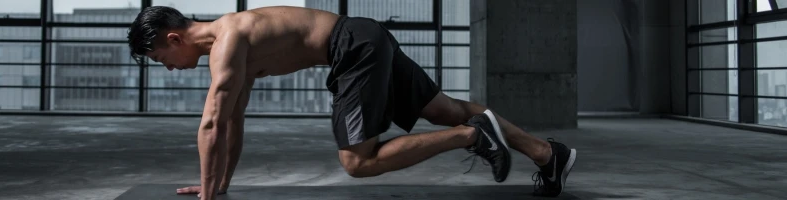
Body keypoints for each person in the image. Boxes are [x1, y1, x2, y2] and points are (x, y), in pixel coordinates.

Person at [127, 6, 577, 200]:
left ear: (173, 38)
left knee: (358, 162)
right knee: (445, 108)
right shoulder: (233, 44)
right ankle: (546, 154)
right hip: (363, 35)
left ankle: (471, 137)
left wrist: (207, 197)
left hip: (352, 48)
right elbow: (232, 122)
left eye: (160, 58)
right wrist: (218, 186)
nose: (167, 67)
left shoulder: (227, 43)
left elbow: (210, 126)